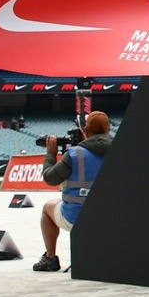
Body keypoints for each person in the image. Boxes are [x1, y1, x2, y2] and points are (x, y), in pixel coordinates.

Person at [35, 112, 113, 272]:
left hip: (77, 217)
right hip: (112, 217)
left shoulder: (75, 154)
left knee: (47, 208)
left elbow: (50, 178)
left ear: (86, 129)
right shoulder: (122, 150)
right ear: (109, 128)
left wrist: (50, 154)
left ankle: (50, 258)